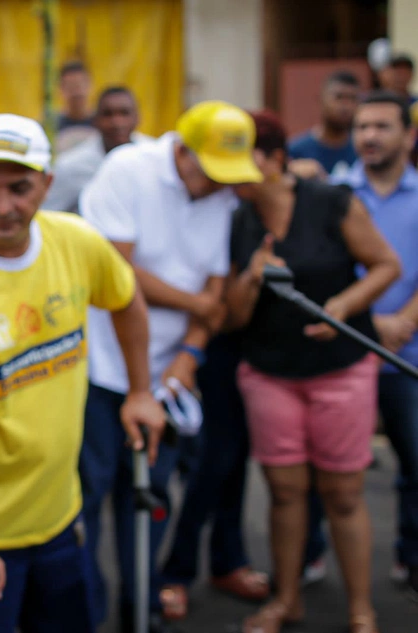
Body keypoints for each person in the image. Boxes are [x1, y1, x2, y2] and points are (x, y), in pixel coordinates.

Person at [0, 113, 165, 633]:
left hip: (60, 509)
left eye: (20, 188)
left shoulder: (76, 241)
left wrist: (141, 391)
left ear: (47, 184)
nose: (3, 207)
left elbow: (127, 298)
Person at [78, 101, 266, 632]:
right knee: (90, 498)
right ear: (180, 151)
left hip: (167, 376)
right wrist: (199, 307)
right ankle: (85, 612)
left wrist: (190, 355)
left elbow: (216, 285)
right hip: (102, 369)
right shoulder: (127, 171)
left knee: (152, 497)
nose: (218, 186)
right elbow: (117, 277)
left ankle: (142, 606)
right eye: (209, 172)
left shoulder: (221, 192)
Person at [226, 110, 399, 633]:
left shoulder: (329, 202)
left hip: (339, 371)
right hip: (270, 373)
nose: (232, 176)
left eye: (242, 161)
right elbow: (234, 317)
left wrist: (343, 307)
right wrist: (252, 278)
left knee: (344, 494)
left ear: (275, 159)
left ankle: (361, 610)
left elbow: (386, 265)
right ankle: (287, 600)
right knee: (283, 492)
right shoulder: (241, 218)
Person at [334, 90, 418, 597]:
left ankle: (411, 557)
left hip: (408, 354)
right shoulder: (336, 193)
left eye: (382, 126)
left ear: (409, 135)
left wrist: (403, 320)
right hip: (346, 353)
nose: (368, 136)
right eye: (362, 126)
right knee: (334, 472)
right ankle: (314, 557)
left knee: (415, 464)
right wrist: (369, 320)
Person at [43, 86, 149, 214]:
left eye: (124, 113)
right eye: (108, 114)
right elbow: (49, 214)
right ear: (95, 120)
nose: (117, 122)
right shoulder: (71, 166)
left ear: (137, 117)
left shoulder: (152, 158)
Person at [287, 70, 360, 179]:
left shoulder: (361, 150)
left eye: (352, 98)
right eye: (339, 97)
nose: (346, 106)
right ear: (321, 99)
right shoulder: (296, 150)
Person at [55, 61, 95, 153]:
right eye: (71, 86)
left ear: (90, 85)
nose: (77, 92)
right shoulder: (50, 124)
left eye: (80, 85)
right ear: (61, 89)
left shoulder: (102, 122)